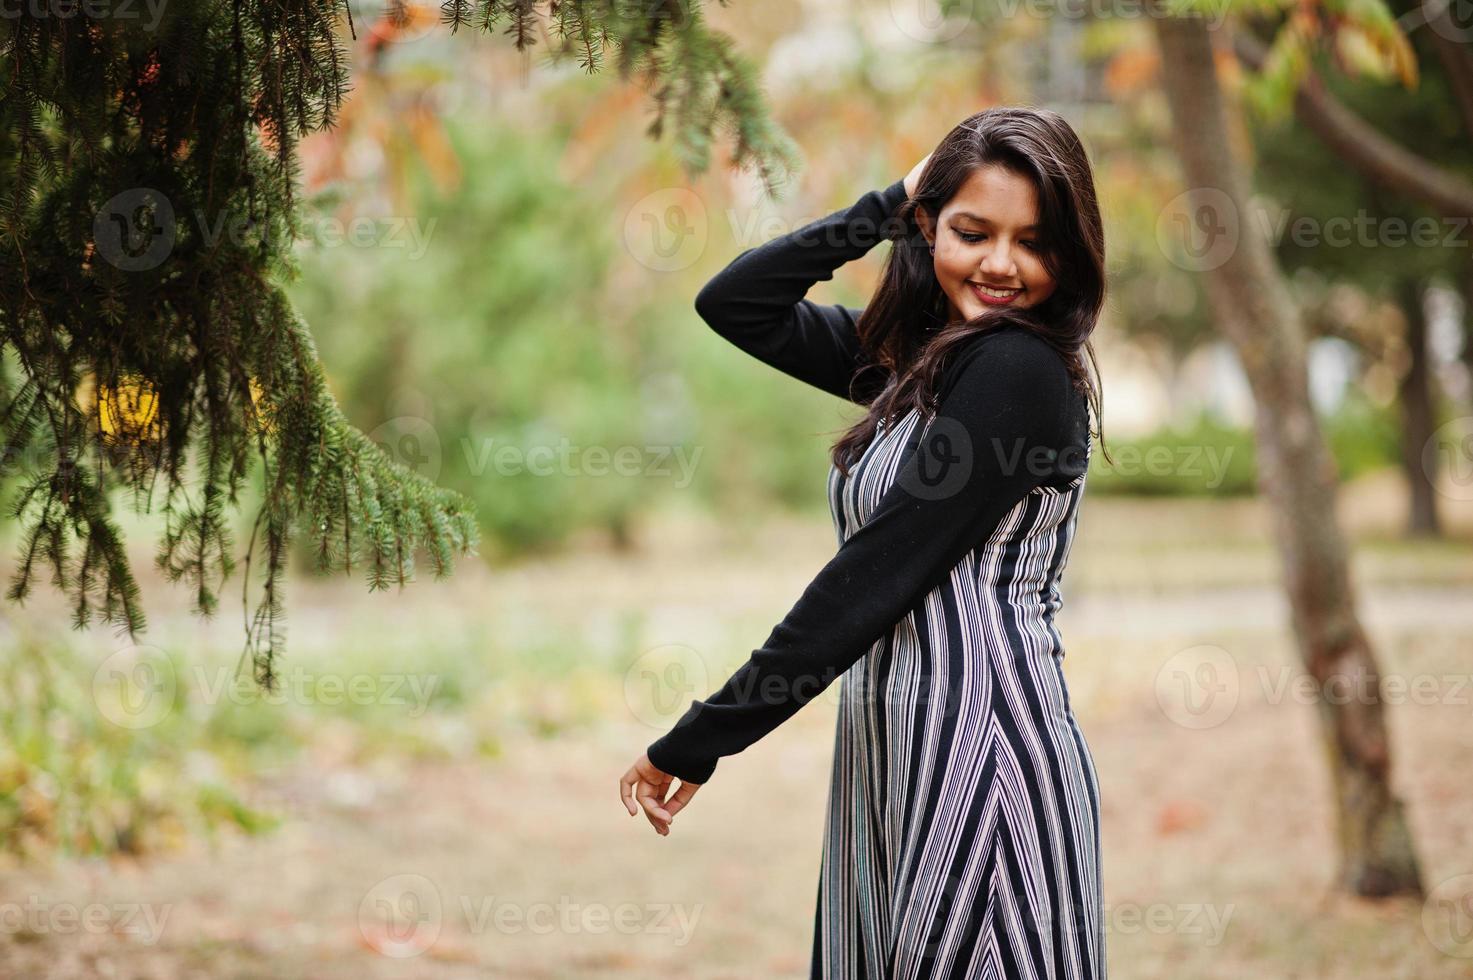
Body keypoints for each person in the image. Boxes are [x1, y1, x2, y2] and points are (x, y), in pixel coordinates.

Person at [619, 105, 1110, 978]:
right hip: (895, 745)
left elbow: (867, 581)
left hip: (980, 746)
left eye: (1033, 243)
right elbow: (737, 302)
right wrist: (889, 200)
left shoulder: (1016, 374)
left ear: (1067, 255)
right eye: (971, 231)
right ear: (927, 231)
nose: (1000, 265)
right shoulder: (922, 362)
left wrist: (702, 734)